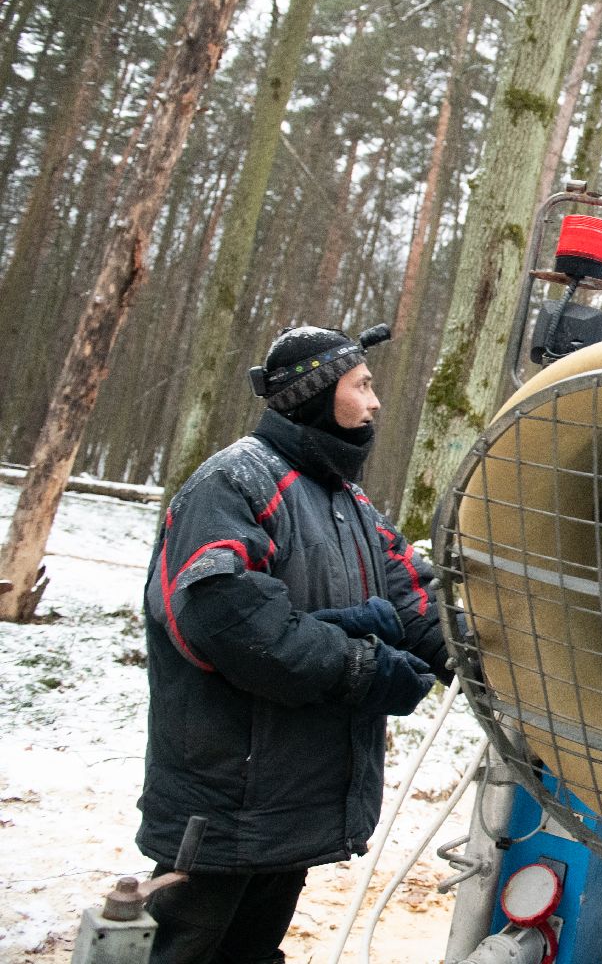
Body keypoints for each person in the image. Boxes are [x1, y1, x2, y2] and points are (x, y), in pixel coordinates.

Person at [137, 323, 455, 964]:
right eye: (361, 386)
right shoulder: (232, 483)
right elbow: (229, 623)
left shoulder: (350, 502)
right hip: (226, 802)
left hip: (292, 806)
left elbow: (413, 601)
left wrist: (484, 654)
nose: (374, 402)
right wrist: (362, 668)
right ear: (316, 394)